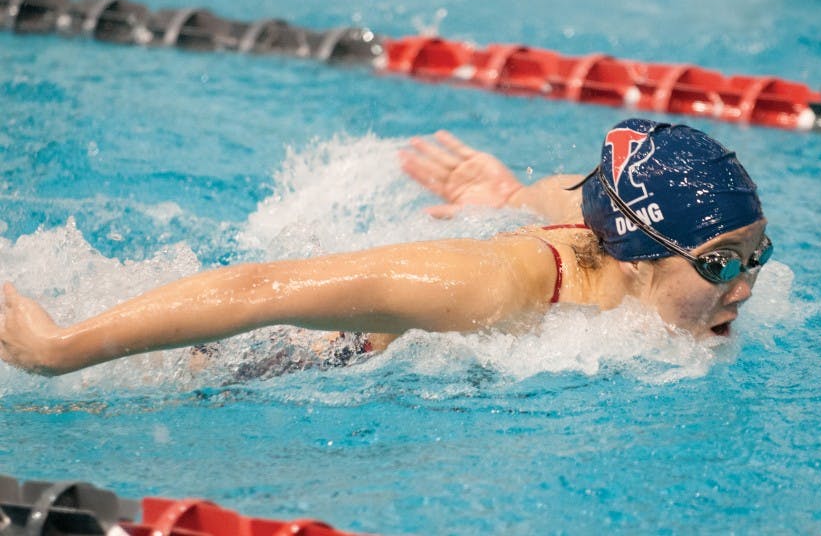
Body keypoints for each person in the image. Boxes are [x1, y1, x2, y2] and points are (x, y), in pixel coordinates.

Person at [0, 119, 771, 377]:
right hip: (275, 360)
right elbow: (258, 291)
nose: (745, 285)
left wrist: (506, 194)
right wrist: (57, 348)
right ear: (641, 253)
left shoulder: (633, 254)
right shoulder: (487, 286)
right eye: (721, 261)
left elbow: (578, 189)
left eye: (755, 254)